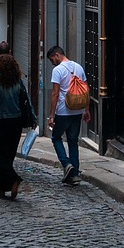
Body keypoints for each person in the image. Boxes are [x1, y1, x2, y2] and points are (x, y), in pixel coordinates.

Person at [0, 54, 30, 199]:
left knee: (0, 156)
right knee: (9, 155)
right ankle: (2, 189)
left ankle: (14, 179)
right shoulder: (19, 83)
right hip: (15, 122)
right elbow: (25, 101)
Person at [47, 45, 89, 186]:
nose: (52, 62)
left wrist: (51, 115)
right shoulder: (79, 67)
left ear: (57, 55)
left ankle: (66, 164)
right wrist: (86, 110)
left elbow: (55, 93)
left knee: (56, 137)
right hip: (77, 111)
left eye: (52, 59)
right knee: (73, 141)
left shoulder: (57, 70)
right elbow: (85, 90)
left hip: (63, 111)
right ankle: (74, 174)